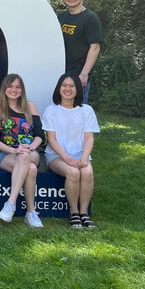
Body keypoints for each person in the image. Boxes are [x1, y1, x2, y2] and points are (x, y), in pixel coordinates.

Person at [0, 73, 44, 228]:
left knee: (26, 157)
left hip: (31, 152)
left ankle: (11, 203)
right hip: (5, 154)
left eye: (18, 87)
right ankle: (31, 212)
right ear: (4, 88)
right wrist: (14, 151)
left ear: (22, 90)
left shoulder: (30, 106)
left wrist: (31, 147)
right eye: (10, 86)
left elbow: (39, 136)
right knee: (30, 169)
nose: (14, 90)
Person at [42, 73, 100, 229]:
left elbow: (89, 138)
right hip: (56, 156)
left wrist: (84, 158)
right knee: (73, 173)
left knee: (87, 172)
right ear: (59, 88)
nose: (68, 89)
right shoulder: (51, 110)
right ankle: (73, 212)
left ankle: (84, 213)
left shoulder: (86, 110)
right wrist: (67, 159)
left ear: (78, 89)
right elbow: (51, 140)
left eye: (72, 86)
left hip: (81, 155)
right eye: (64, 85)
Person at [58, 0, 103, 103]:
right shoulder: (61, 17)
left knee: (77, 110)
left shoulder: (90, 18)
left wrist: (84, 74)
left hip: (78, 74)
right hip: (60, 71)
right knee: (60, 108)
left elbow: (95, 47)